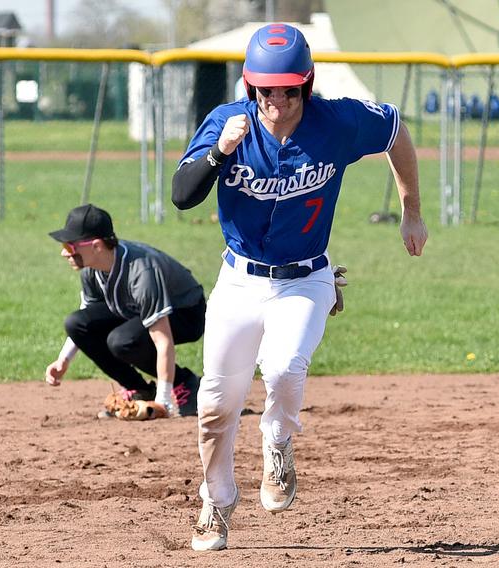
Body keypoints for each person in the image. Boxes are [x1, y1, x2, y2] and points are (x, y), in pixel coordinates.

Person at [171, 23, 428, 551]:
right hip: (240, 279)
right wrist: (220, 152)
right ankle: (216, 503)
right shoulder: (228, 122)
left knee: (285, 367)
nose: (278, 100)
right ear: (250, 87)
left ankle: (278, 441)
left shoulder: (336, 120)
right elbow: (181, 194)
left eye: (289, 88)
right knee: (216, 404)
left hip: (308, 278)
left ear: (306, 84)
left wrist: (412, 210)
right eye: (267, 90)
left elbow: (396, 132)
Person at [45, 204, 204, 419]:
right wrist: (63, 360)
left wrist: (163, 402)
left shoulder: (141, 272)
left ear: (97, 246)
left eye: (70, 246)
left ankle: (184, 382)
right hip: (133, 307)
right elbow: (88, 317)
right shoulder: (91, 270)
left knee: (121, 341)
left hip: (185, 311)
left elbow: (163, 340)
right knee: (76, 323)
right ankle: (139, 389)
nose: (64, 253)